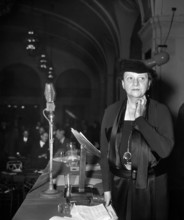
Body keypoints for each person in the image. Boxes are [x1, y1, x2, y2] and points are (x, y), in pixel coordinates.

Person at [100, 59, 174, 220]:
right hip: (119, 183)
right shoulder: (111, 112)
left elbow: (164, 150)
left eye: (142, 78)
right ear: (122, 84)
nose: (135, 82)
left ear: (149, 84)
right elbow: (105, 154)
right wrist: (107, 190)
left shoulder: (161, 111)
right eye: (130, 78)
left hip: (153, 186)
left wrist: (140, 120)